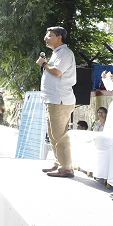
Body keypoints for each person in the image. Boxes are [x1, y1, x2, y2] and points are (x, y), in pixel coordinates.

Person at [36, 26, 77, 178]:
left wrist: (43, 64)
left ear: (59, 37)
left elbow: (58, 72)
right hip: (52, 99)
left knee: (59, 135)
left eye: (49, 35)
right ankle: (59, 164)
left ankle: (66, 167)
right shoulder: (57, 53)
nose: (46, 38)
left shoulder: (65, 53)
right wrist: (47, 63)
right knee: (53, 135)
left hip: (60, 100)